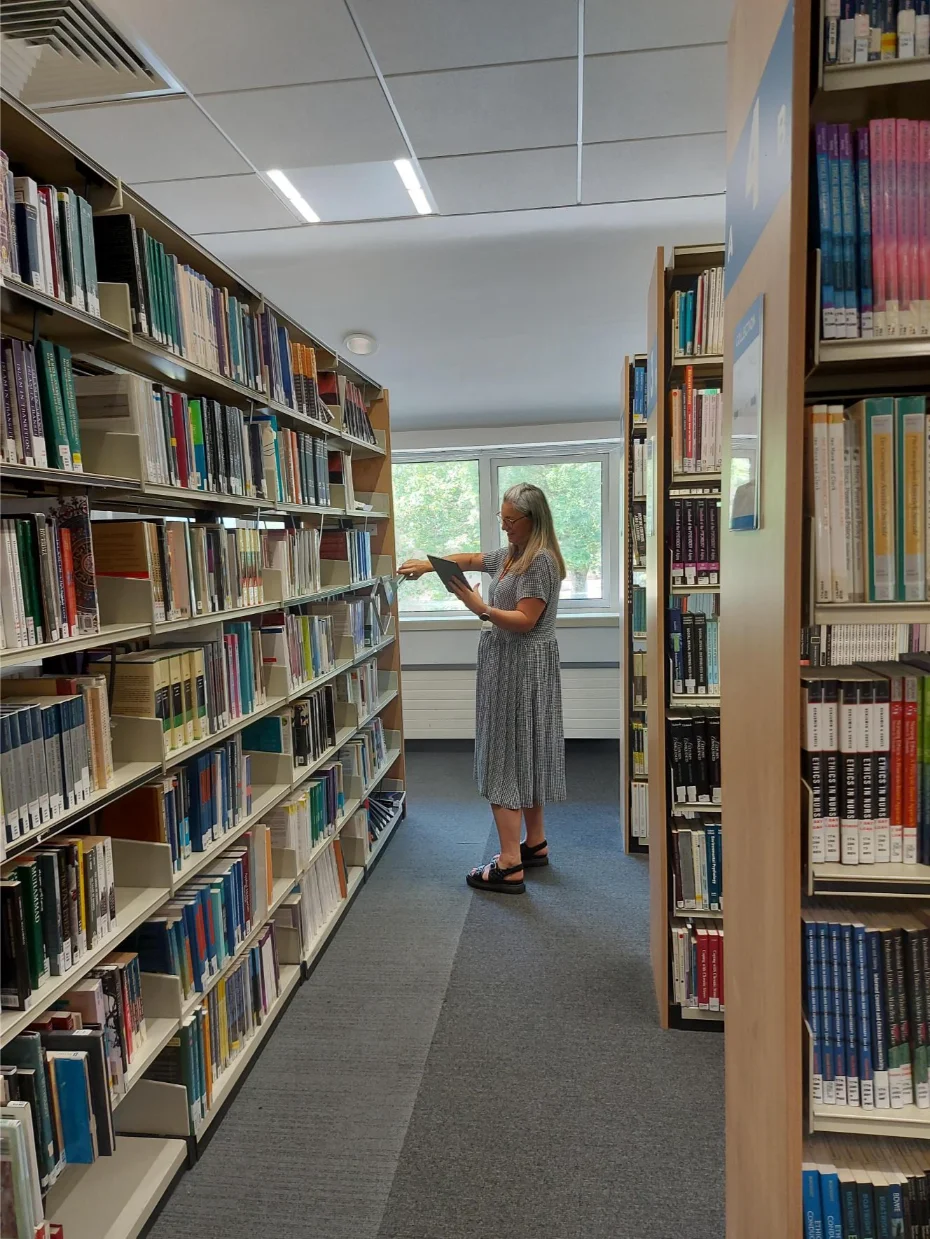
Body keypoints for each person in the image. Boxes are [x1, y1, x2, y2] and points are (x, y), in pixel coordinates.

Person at [399, 482, 566, 894]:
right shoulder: (512, 554)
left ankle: (510, 863)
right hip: (509, 662)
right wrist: (426, 564)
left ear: (533, 519)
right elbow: (472, 558)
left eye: (512, 520)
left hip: (520, 667)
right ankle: (535, 844)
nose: (505, 526)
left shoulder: (539, 561)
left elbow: (525, 619)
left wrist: (481, 609)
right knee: (525, 750)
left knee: (505, 754)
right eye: (502, 518)